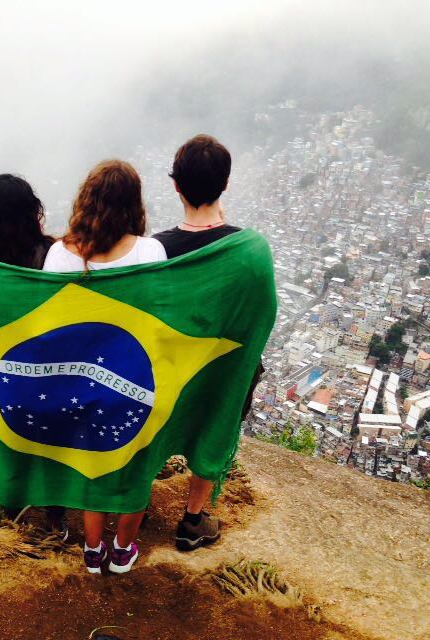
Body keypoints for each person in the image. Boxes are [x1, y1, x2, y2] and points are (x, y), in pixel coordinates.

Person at [43, 159, 166, 574]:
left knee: (93, 464)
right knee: (137, 467)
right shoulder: (150, 252)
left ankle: (93, 549)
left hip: (79, 380)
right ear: (134, 203)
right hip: (135, 379)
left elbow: (47, 323)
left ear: (87, 198)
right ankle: (123, 548)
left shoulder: (59, 254)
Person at [153, 134, 263, 551]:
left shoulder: (156, 249)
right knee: (217, 420)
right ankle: (193, 519)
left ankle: (133, 505)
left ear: (176, 186)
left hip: (167, 369)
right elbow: (257, 317)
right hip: (221, 369)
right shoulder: (248, 250)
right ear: (226, 184)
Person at [0, 173, 66, 539]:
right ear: (31, 213)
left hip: (3, 371)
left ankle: (11, 507)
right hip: (49, 369)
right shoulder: (51, 254)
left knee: (10, 439)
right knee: (53, 443)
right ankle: (55, 516)